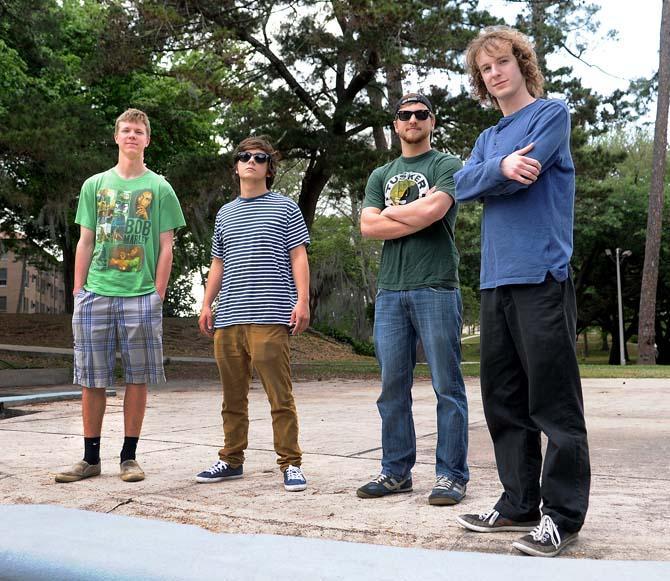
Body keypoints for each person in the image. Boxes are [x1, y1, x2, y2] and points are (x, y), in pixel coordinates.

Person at [453, 26, 591, 557]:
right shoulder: (489, 138)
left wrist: (497, 176)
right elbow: (461, 186)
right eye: (485, 70)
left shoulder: (550, 113)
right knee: (504, 400)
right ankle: (517, 503)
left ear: (521, 63)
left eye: (502, 62)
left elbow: (522, 177)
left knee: (553, 402)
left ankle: (562, 517)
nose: (495, 73)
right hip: (496, 280)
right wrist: (499, 168)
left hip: (541, 276)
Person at [55, 108, 185, 483]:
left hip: (140, 295)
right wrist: (79, 291)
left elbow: (166, 247)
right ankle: (89, 458)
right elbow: (85, 241)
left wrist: (157, 294)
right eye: (126, 130)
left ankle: (129, 457)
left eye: (138, 131)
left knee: (137, 377)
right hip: (96, 292)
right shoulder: (95, 185)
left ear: (147, 140)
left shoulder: (159, 188)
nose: (132, 135)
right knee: (91, 378)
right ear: (116, 137)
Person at [357, 93, 469, 505]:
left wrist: (389, 215)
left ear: (431, 121)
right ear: (396, 124)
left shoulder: (445, 165)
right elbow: (367, 227)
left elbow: (435, 212)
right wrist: (411, 214)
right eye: (405, 115)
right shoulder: (381, 173)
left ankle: (451, 476)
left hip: (436, 285)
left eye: (421, 114)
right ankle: (395, 472)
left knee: (447, 385)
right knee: (392, 387)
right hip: (390, 291)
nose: (413, 120)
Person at [195, 136, 311, 492]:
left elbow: (298, 256)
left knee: (280, 396)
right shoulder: (225, 213)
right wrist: (205, 302)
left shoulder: (286, 207)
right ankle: (231, 460)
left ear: (269, 168)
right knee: (232, 397)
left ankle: (290, 464)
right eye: (244, 157)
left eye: (260, 158)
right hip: (229, 317)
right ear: (236, 167)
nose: (251, 162)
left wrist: (303, 301)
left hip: (270, 315)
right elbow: (218, 262)